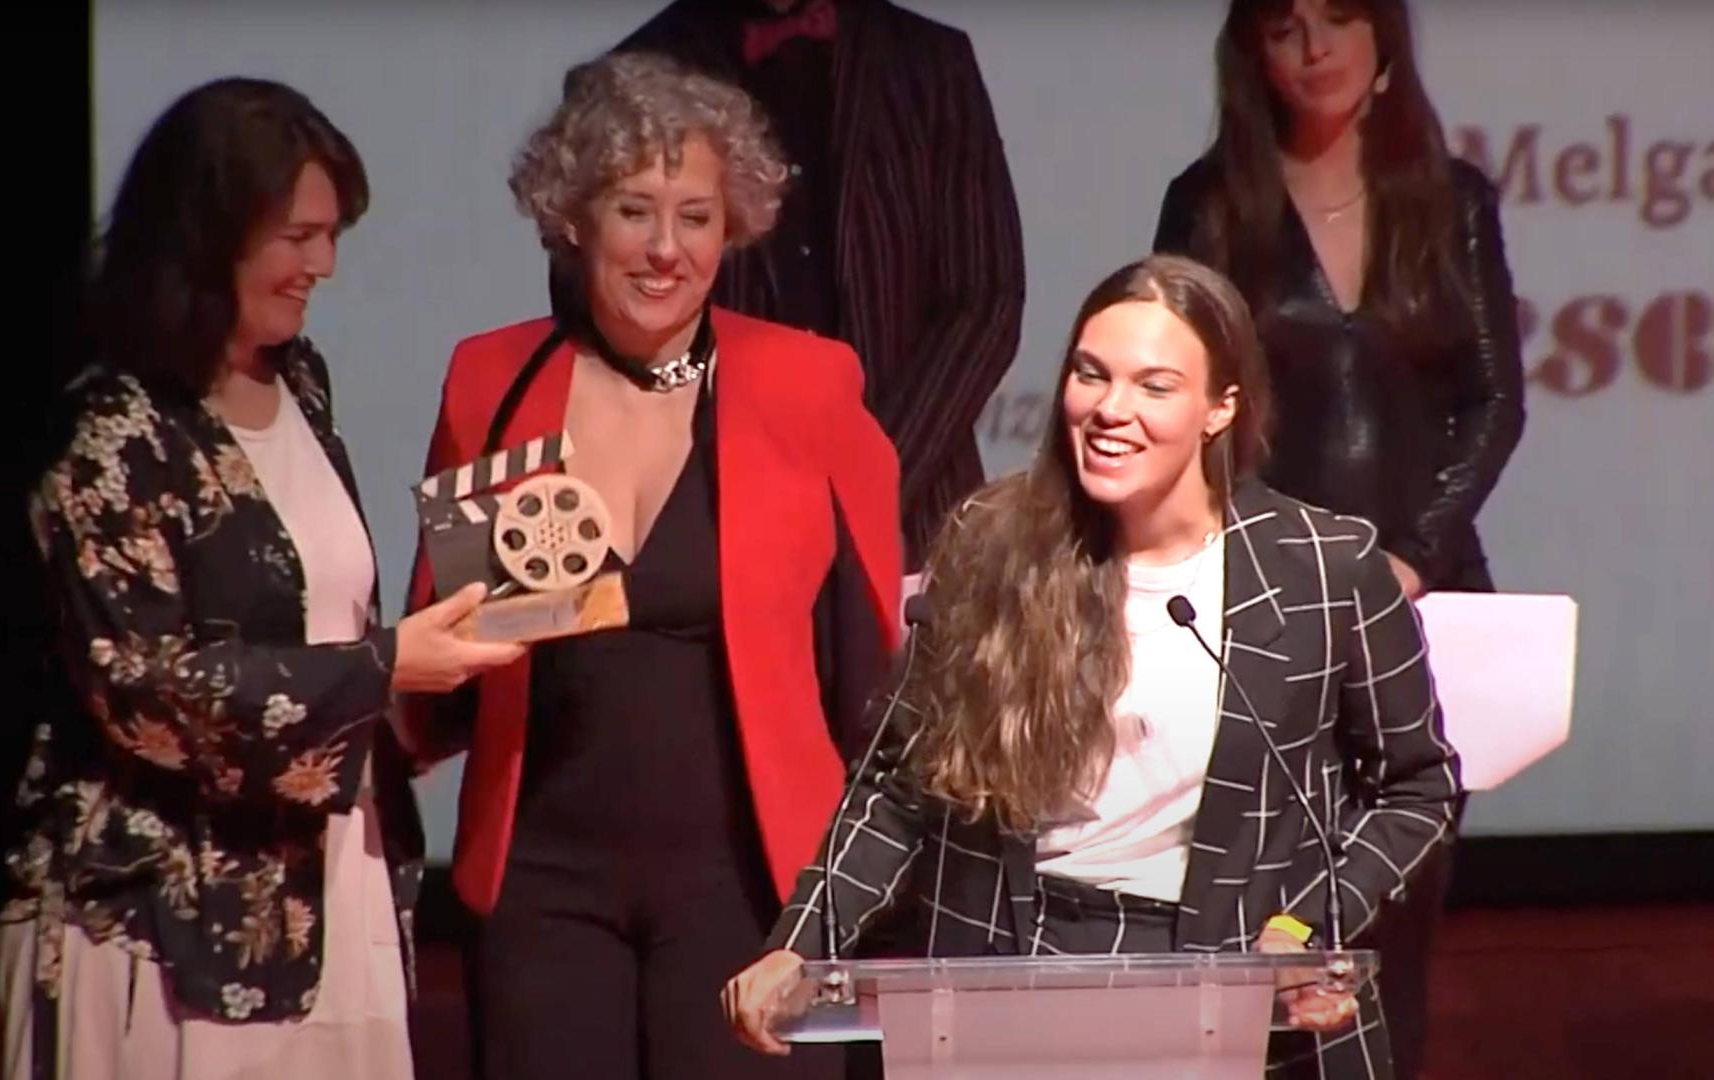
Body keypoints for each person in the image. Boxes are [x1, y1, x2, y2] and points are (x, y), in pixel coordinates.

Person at [724, 255, 1464, 1080]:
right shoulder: (991, 546)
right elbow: (897, 782)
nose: (1111, 410)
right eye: (1091, 375)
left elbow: (1415, 785)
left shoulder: (1323, 568)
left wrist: (1301, 927)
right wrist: (803, 939)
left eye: (1154, 386)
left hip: (1225, 977)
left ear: (1221, 408)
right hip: (1009, 967)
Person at [0, 77, 523, 1080]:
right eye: (297, 236)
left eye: (333, 236)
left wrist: (456, 679)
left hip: (338, 893)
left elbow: (327, 619)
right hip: (168, 924)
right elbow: (143, 686)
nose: (322, 265)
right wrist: (385, 668)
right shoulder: (113, 427)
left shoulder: (301, 381)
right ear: (205, 232)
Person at [400, 53, 904, 1080]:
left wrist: (851, 902)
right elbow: (442, 665)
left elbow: (875, 684)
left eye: (697, 216)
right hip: (541, 889)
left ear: (737, 226)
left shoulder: (810, 384)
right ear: (575, 216)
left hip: (752, 897)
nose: (667, 249)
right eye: (636, 211)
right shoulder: (491, 379)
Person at [1151, 3, 1525, 1073]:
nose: (1314, 47)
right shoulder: (1209, 203)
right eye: (1285, 26)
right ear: (1252, 54)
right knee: (1263, 931)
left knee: (1389, 932)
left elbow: (1493, 402)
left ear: (1382, 40)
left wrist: (1406, 554)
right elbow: (1180, 393)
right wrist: (1289, 565)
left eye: (1338, 18)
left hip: (1425, 606)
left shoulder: (1452, 200)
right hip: (1262, 607)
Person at [585, 0, 1026, 566]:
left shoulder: (931, 63)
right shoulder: (630, 74)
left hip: (913, 514)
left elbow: (985, 296)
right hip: (712, 528)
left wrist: (867, 478)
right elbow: (602, 312)